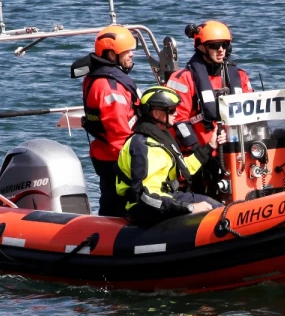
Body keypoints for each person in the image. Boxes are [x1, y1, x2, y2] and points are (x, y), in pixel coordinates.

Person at [166, 20, 253, 198]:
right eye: (214, 46)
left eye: (224, 45)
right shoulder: (183, 79)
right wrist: (200, 150)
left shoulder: (240, 77)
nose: (221, 50)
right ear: (202, 47)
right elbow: (178, 120)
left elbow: (252, 112)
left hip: (235, 152)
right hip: (198, 155)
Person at [115, 85, 222, 226]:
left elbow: (184, 168)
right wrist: (188, 207)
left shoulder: (161, 137)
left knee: (217, 208)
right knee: (212, 212)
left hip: (167, 199)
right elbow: (145, 197)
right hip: (146, 209)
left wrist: (209, 147)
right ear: (156, 113)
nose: (176, 114)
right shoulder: (143, 145)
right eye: (171, 110)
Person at [80, 25, 140, 216]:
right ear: (112, 55)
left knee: (111, 203)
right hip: (117, 159)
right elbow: (118, 133)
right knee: (119, 207)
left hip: (106, 155)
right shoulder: (110, 88)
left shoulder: (96, 79)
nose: (131, 55)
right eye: (126, 51)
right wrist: (138, 162)